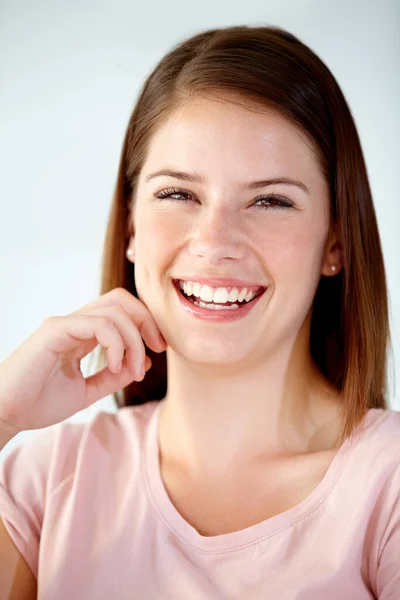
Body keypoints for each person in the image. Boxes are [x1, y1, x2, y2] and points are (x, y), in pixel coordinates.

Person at [0, 24, 399, 600]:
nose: (215, 242)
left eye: (270, 201)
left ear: (335, 243)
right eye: (178, 195)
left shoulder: (388, 488)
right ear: (132, 225)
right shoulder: (45, 482)